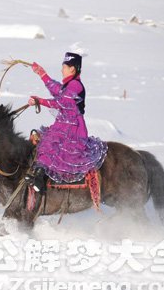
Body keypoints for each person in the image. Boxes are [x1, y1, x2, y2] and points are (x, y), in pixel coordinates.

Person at [25, 52, 108, 193]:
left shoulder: (76, 85)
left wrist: (41, 101)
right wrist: (42, 73)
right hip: (63, 124)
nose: (61, 70)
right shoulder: (68, 85)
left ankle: (42, 181)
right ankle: (39, 175)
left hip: (74, 128)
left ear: (72, 69)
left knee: (52, 146)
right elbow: (56, 89)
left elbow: (62, 102)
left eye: (64, 67)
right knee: (46, 144)